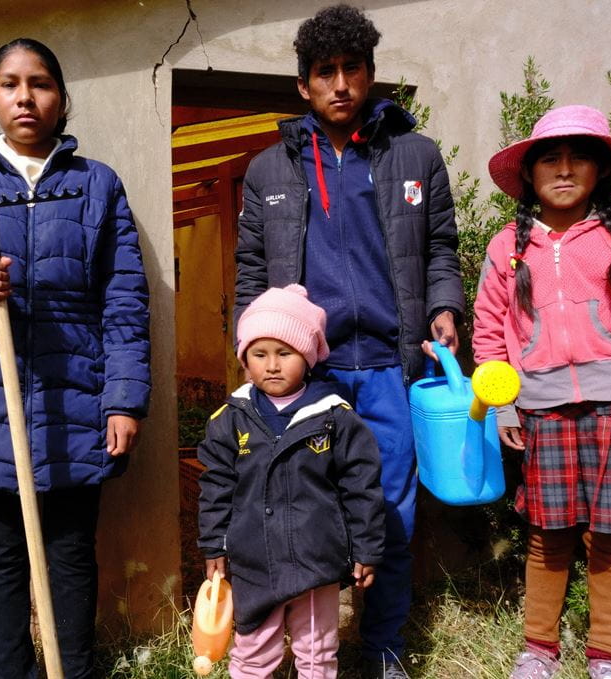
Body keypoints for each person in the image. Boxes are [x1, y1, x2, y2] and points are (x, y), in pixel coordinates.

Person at [0, 38, 150, 679]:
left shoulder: (96, 185)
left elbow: (124, 300)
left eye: (39, 82)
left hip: (78, 393)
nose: (25, 96)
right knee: (5, 553)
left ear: (61, 99)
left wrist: (124, 399)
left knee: (71, 552)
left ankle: (74, 670)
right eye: (10, 83)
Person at [234, 5, 464, 676]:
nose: (340, 83)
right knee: (307, 515)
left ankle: (384, 647)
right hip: (311, 379)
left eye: (351, 69)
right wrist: (257, 358)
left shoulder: (414, 155)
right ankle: (315, 653)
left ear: (371, 73)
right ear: (303, 86)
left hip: (392, 370)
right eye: (324, 72)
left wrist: (445, 306)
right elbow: (252, 272)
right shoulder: (269, 170)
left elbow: (440, 248)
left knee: (389, 512)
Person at [475, 104, 611, 679]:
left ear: (601, 171)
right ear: (529, 173)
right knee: (547, 536)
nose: (564, 170)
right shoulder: (506, 249)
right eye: (551, 158)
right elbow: (489, 331)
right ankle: (538, 650)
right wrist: (503, 404)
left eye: (579, 158)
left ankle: (607, 657)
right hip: (543, 413)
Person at [198, 284, 385, 678]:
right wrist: (214, 542)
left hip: (315, 561)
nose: (272, 365)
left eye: (285, 353)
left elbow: (361, 487)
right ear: (244, 358)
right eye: (259, 354)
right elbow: (216, 487)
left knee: (317, 653)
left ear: (309, 355)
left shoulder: (335, 418)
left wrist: (366, 547)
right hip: (254, 561)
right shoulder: (229, 420)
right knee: (252, 652)